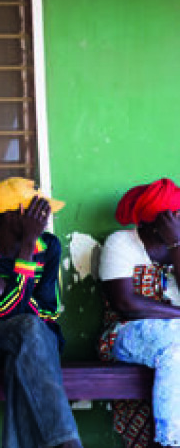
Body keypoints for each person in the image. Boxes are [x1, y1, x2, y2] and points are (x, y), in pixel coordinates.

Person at [0, 177, 82, 448]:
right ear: (15, 216)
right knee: (29, 328)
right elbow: (3, 312)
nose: (45, 219)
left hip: (35, 341)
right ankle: (65, 441)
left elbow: (48, 309)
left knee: (24, 349)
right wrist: (26, 253)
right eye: (38, 212)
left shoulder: (49, 246)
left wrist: (4, 282)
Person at [98, 178, 180, 448]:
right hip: (123, 336)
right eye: (176, 215)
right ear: (158, 221)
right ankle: (169, 442)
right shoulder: (120, 243)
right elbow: (126, 303)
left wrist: (176, 245)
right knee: (176, 349)